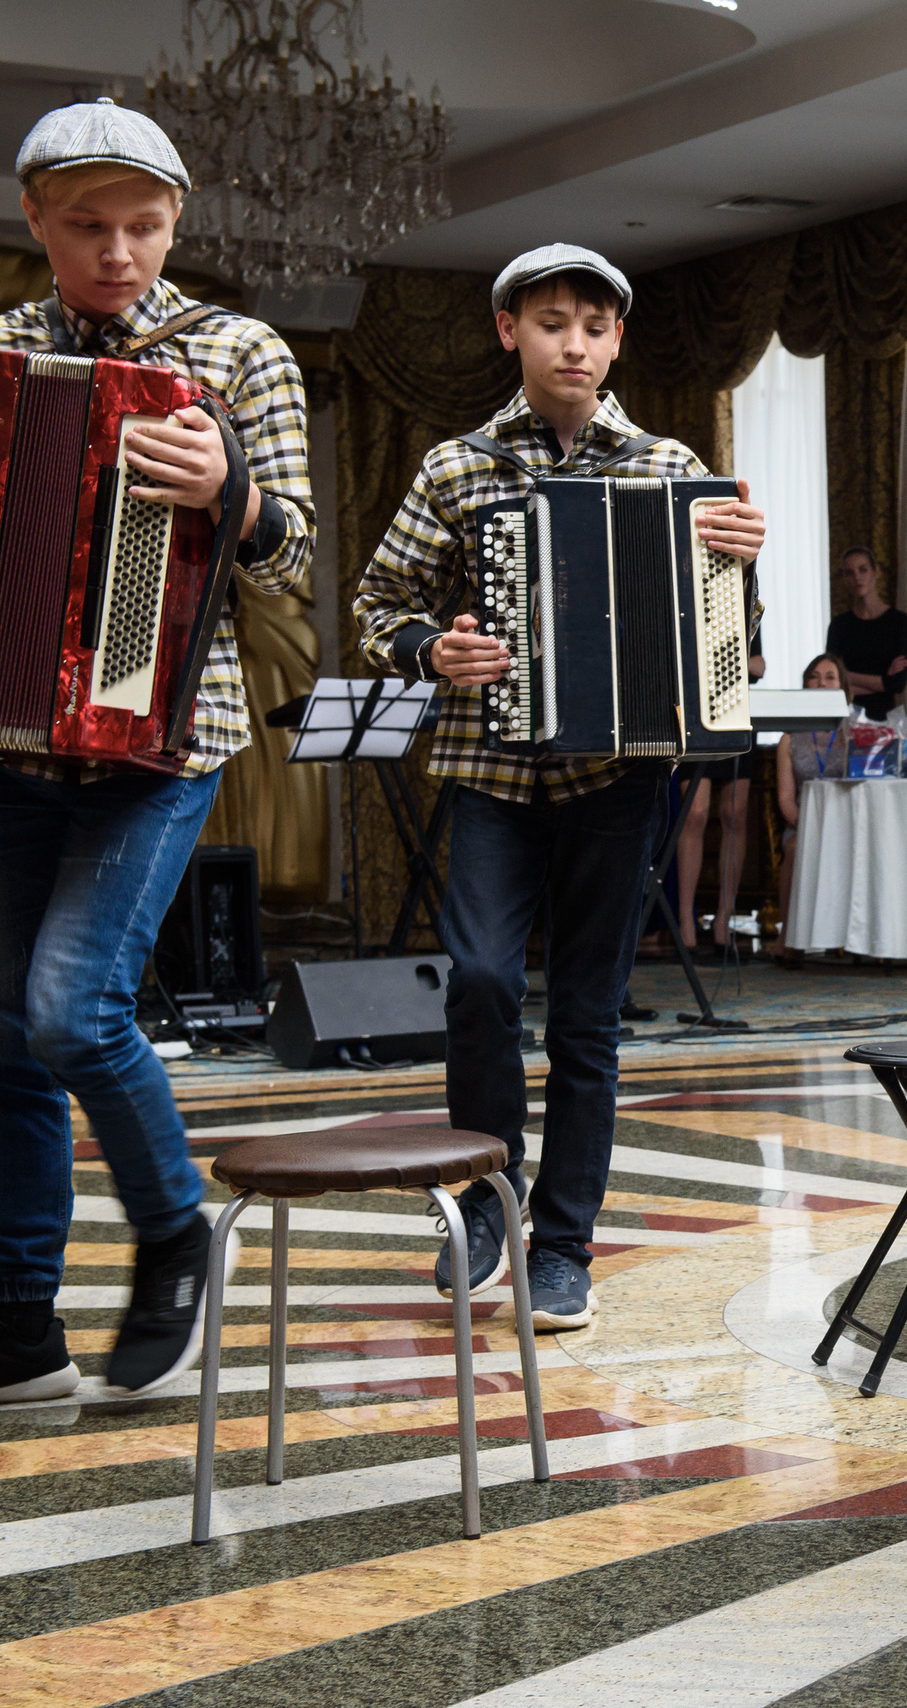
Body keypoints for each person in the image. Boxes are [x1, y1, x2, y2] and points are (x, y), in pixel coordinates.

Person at [0, 101, 315, 1415]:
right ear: (33, 220)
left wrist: (232, 490)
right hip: (13, 736)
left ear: (179, 221)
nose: (120, 253)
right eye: (87, 227)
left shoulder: (237, 351)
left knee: (69, 1007)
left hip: (167, 735)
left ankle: (172, 1228)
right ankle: (20, 1327)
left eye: (147, 227)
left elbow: (294, 557)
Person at [350, 243, 766, 1331]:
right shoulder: (456, 467)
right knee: (481, 979)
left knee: (587, 1016)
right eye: (550, 322)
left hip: (619, 779)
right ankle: (486, 1196)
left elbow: (730, 649)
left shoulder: (668, 466)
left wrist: (741, 566)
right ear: (509, 332)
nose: (573, 342)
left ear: (617, 339)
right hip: (491, 770)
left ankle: (563, 1244)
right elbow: (376, 602)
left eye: (592, 323)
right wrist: (429, 648)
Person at [671, 610, 767, 956]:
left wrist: (725, 656)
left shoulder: (743, 601)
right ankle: (686, 916)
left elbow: (758, 665)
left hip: (734, 710)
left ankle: (724, 916)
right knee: (694, 813)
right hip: (692, 715)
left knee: (735, 815)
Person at [771, 653, 852, 967]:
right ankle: (789, 939)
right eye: (814, 676)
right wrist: (811, 827)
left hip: (847, 824)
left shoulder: (853, 733)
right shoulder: (789, 739)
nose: (821, 683)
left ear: (842, 686)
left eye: (830, 677)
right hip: (804, 823)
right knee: (794, 848)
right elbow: (786, 800)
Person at [825, 545, 907, 718]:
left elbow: (897, 684)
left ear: (876, 571)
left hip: (883, 717)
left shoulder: (898, 621)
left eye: (862, 569)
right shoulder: (839, 625)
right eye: (849, 572)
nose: (857, 577)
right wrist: (881, 680)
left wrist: (847, 676)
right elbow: (832, 680)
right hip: (845, 715)